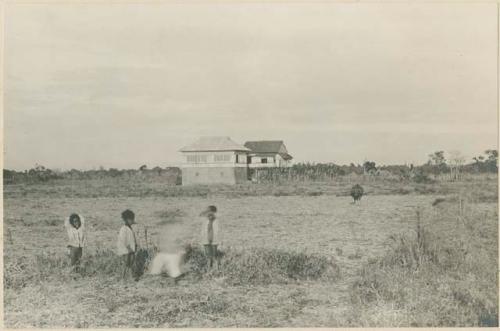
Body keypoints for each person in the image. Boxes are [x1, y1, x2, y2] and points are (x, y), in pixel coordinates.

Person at [117, 209, 138, 280]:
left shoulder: (130, 228)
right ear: (127, 220)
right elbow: (124, 240)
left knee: (130, 263)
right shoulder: (124, 229)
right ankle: (123, 277)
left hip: (131, 249)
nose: (132, 221)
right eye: (131, 219)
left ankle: (130, 276)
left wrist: (135, 245)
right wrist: (128, 247)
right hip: (126, 250)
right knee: (126, 263)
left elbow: (132, 238)